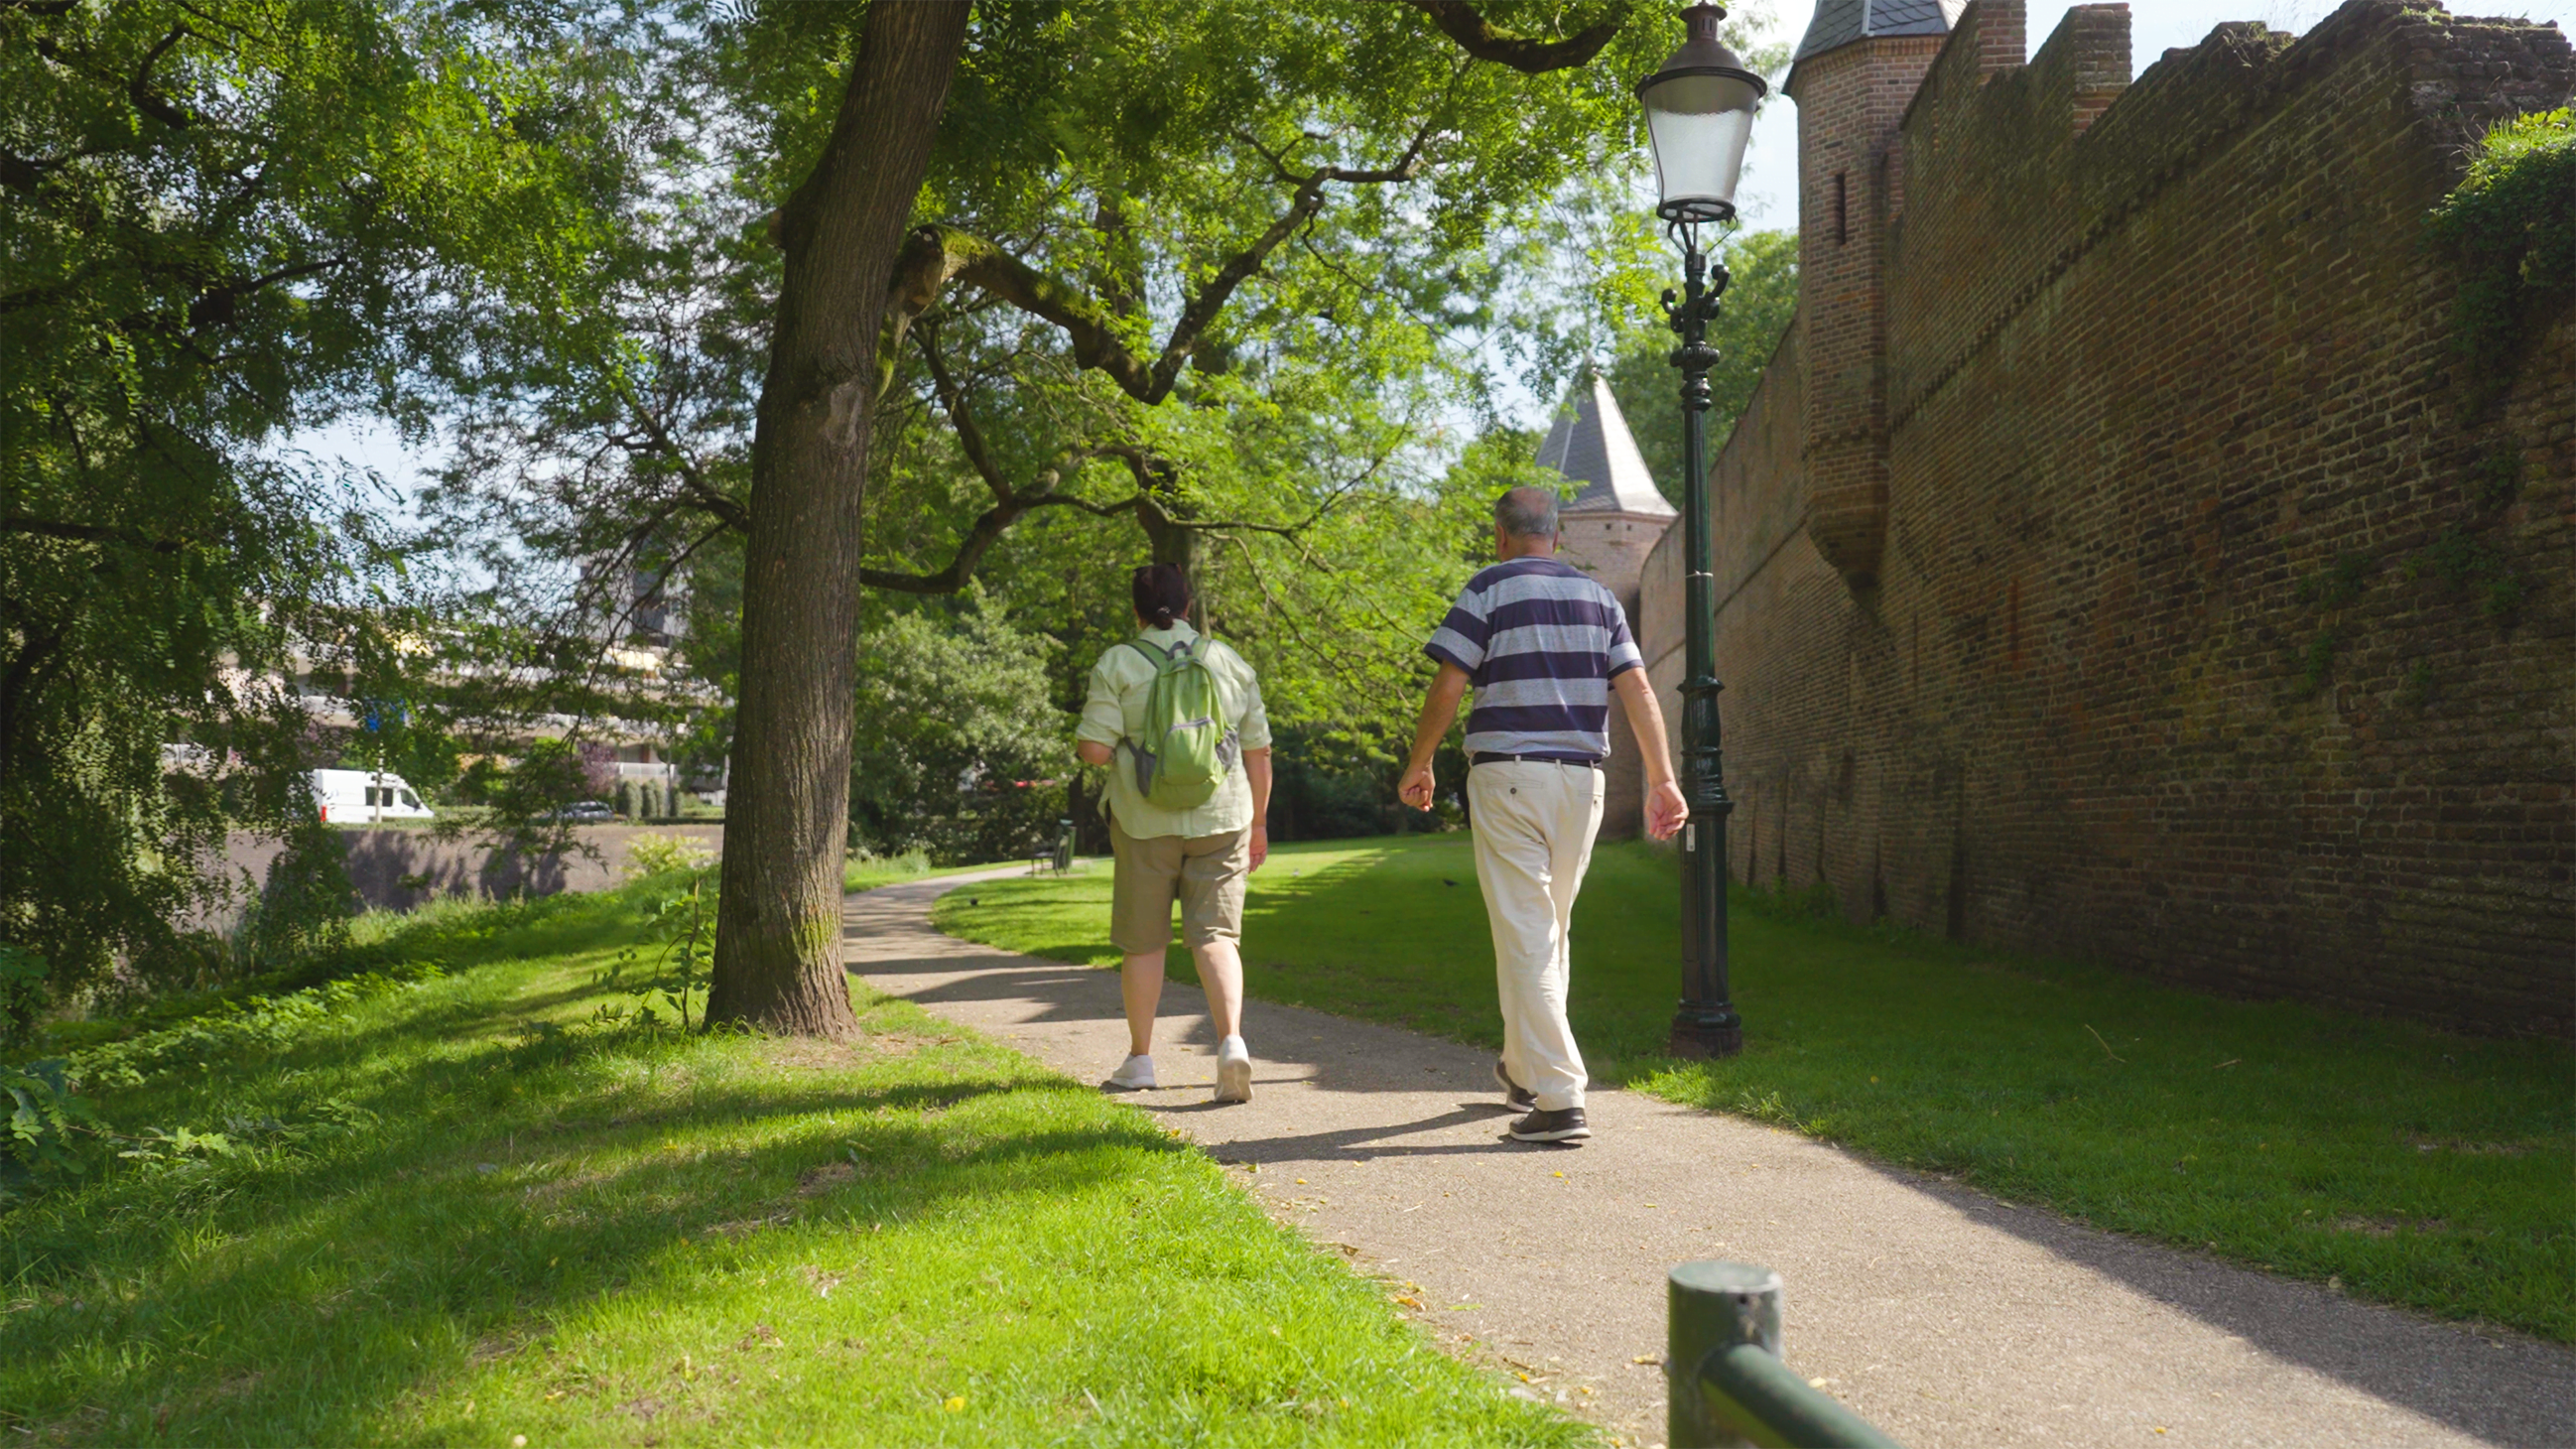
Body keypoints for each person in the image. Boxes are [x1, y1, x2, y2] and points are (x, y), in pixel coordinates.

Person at [1398, 486, 1688, 1143]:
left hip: (1508, 776)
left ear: (1501, 537)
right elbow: (1638, 687)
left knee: (1529, 934)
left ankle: (1560, 1099)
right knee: (1545, 933)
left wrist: (1420, 762)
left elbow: (1448, 683)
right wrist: (1664, 780)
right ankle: (1524, 1070)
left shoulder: (1487, 590)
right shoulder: (1600, 599)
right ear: (1558, 537)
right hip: (1582, 785)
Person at [1075, 563, 1274, 1103]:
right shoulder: (1228, 661)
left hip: (1143, 822)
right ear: (1189, 605)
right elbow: (1258, 751)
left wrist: (1125, 746)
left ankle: (1140, 1061)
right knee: (1216, 938)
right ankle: (1231, 1042)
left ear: (1136, 610)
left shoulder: (1118, 663)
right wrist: (1257, 822)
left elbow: (1094, 750)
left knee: (1144, 944)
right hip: (1224, 817)